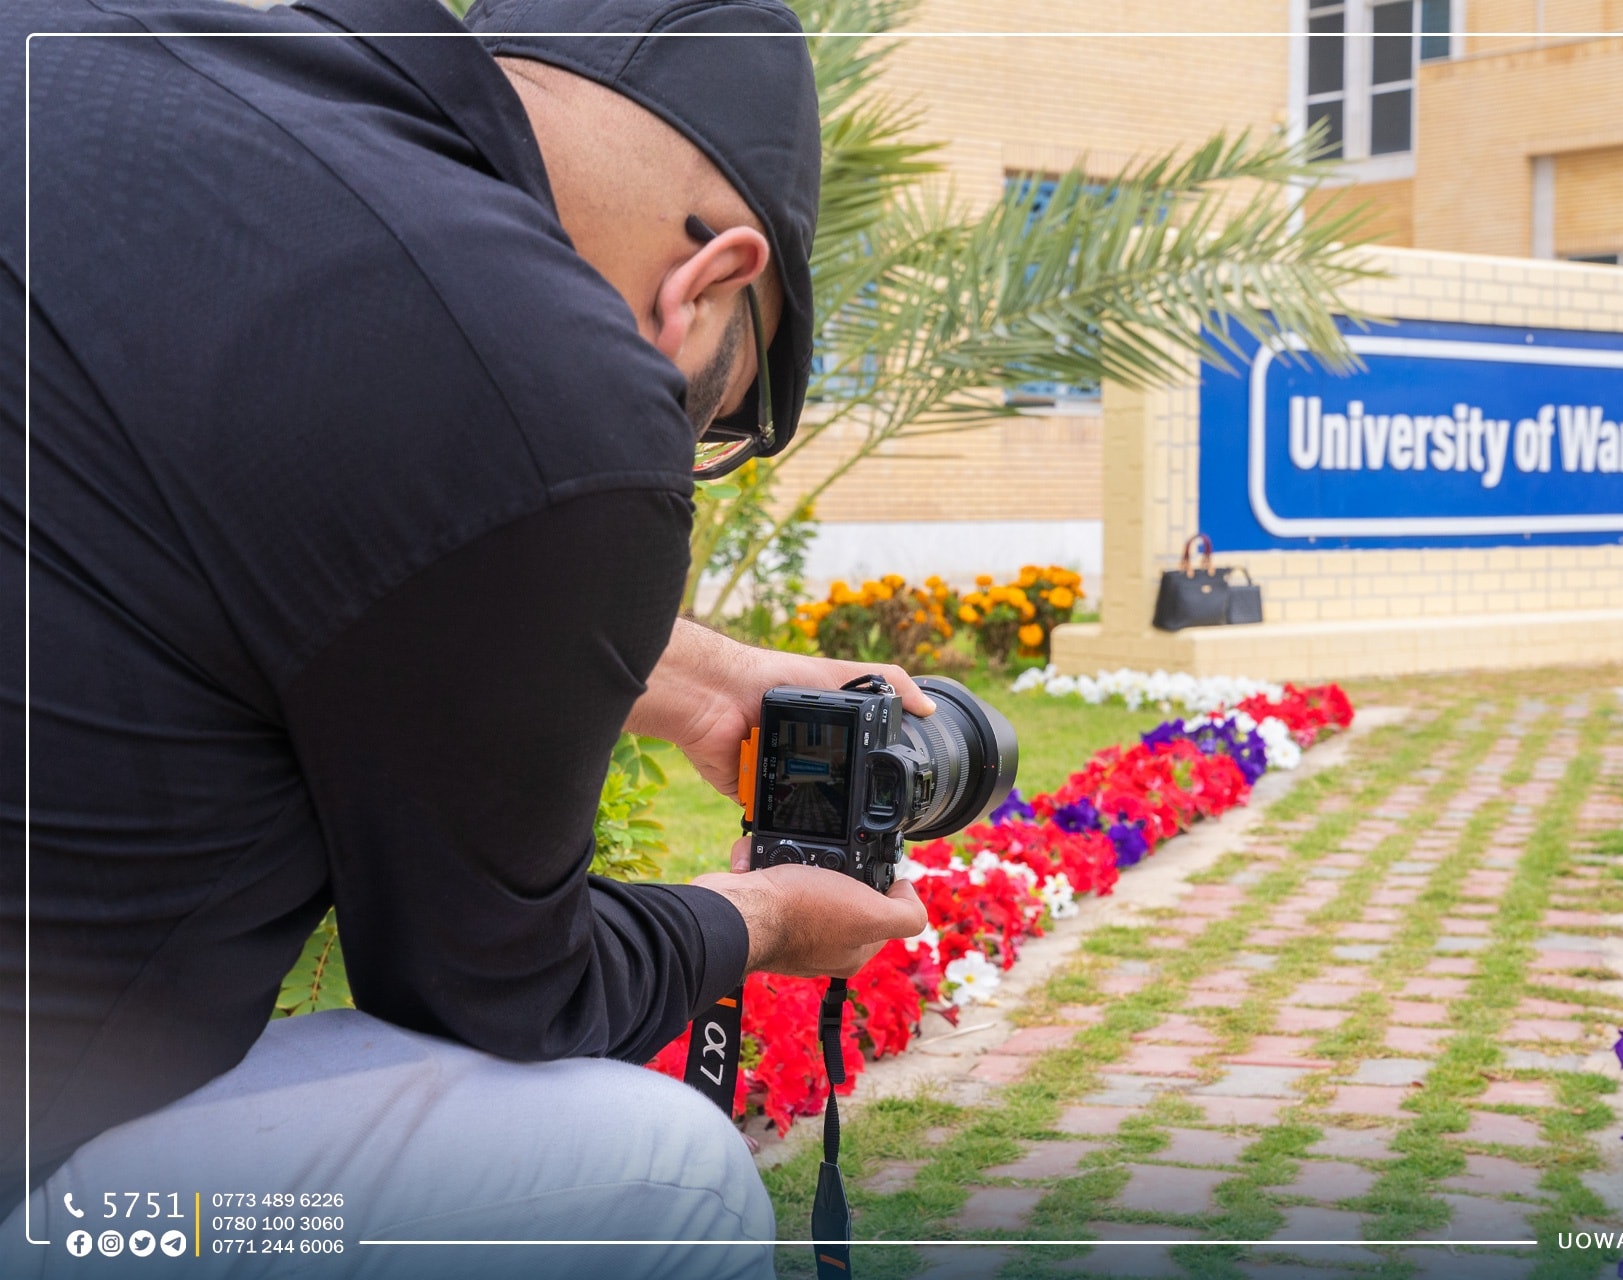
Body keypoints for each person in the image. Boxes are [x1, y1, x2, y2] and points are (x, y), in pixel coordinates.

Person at [0, 0, 929, 1273]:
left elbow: (252, 516)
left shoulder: (91, 56)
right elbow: (500, 991)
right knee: (666, 1169)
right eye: (717, 412)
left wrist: (700, 677)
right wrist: (756, 917)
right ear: (710, 284)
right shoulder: (552, 370)